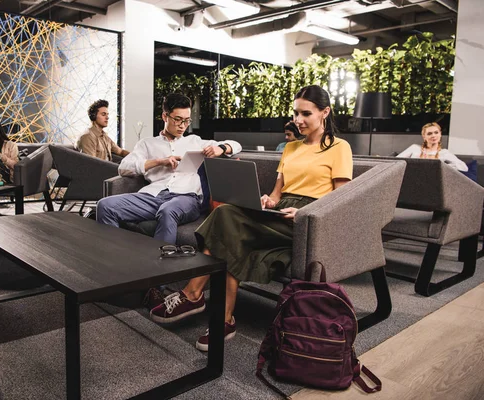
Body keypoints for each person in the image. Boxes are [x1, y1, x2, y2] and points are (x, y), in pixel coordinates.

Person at [149, 85, 353, 352]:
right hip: (280, 213)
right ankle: (221, 317)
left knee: (227, 224)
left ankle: (194, 295)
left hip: (309, 220)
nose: (298, 120)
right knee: (228, 218)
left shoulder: (340, 148)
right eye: (295, 113)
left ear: (324, 112)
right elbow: (277, 194)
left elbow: (341, 200)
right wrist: (267, 201)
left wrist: (304, 213)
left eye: (306, 114)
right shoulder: (291, 148)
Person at [96, 93, 242, 306]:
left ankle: (155, 286)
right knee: (105, 206)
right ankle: (116, 271)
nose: (183, 125)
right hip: (153, 195)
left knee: (168, 211)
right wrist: (159, 161)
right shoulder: (147, 144)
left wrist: (222, 148)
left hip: (186, 198)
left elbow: (235, 144)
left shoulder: (195, 141)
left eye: (186, 120)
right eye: (177, 120)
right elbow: (124, 168)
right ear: (165, 116)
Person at [396, 122, 468, 171]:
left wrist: (443, 167)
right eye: (429, 133)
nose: (433, 136)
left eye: (436, 133)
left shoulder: (444, 153)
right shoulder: (414, 148)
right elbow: (395, 162)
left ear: (440, 134)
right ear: (424, 136)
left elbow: (464, 167)